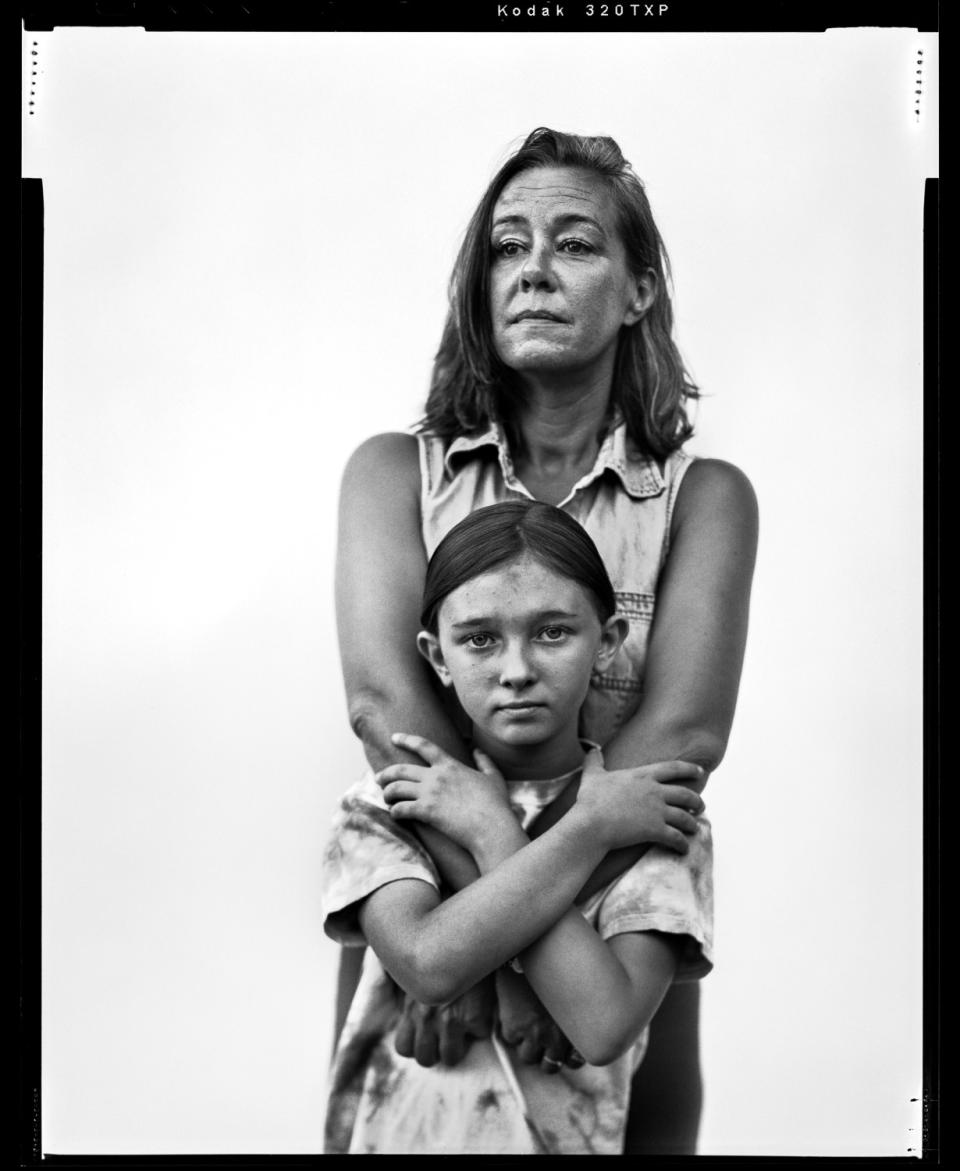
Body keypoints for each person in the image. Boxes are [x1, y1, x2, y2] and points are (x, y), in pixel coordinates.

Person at [334, 126, 758, 1153]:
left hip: (622, 917)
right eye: (506, 246)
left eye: (573, 244)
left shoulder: (705, 498)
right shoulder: (396, 475)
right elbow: (387, 709)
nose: (532, 269)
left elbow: (683, 734)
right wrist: (478, 946)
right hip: (421, 895)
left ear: (639, 289)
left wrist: (539, 949)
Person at [322, 501, 713, 1155]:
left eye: (553, 632)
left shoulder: (654, 816)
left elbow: (602, 1021)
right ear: (436, 655)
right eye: (479, 638)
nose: (517, 669)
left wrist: (493, 831)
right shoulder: (388, 805)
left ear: (608, 639)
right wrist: (573, 830)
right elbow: (429, 961)